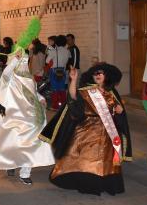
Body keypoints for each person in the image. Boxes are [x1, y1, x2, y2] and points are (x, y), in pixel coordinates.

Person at [40, 63, 132, 195]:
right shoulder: (87, 91)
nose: (98, 75)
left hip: (106, 131)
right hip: (86, 128)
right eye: (96, 73)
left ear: (107, 76)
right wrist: (73, 80)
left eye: (101, 73)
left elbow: (119, 112)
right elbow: (73, 97)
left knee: (106, 160)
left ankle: (105, 183)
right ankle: (85, 183)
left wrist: (120, 110)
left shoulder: (111, 92)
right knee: (82, 157)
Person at [0, 49, 54, 184]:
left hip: (31, 117)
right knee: (13, 142)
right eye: (22, 60)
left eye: (26, 60)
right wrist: (15, 60)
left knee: (31, 143)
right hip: (14, 117)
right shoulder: (9, 78)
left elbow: (33, 92)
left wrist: (40, 97)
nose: (24, 63)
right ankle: (12, 163)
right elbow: (6, 74)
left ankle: (25, 173)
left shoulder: (29, 78)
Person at [46, 35, 70, 110]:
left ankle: (55, 106)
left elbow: (47, 61)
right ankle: (63, 105)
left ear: (56, 42)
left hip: (54, 71)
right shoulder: (67, 51)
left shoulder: (53, 51)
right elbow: (68, 60)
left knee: (55, 89)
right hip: (63, 71)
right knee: (62, 88)